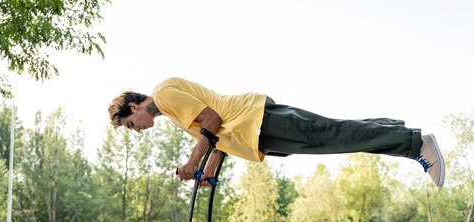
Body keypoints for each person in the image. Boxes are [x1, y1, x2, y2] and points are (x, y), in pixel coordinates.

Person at [108, 77, 445, 187]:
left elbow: (211, 120)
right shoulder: (172, 110)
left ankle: (416, 143)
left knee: (334, 135)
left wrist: (192, 162)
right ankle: (397, 131)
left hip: (259, 120)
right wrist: (207, 174)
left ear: (134, 108)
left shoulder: (164, 94)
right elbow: (216, 140)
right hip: (255, 132)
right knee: (335, 137)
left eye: (129, 125)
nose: (135, 131)